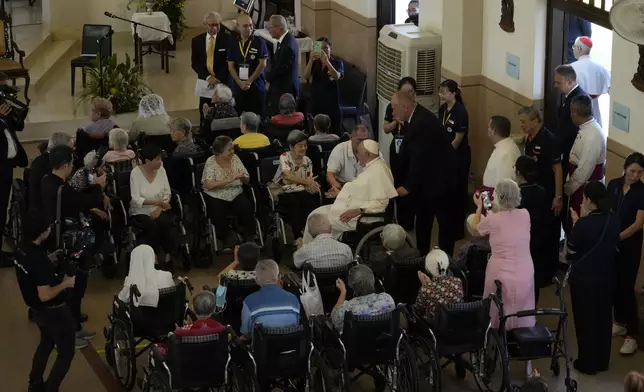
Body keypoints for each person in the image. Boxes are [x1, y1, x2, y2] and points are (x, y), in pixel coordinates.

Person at [40, 146, 105, 339]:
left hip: (54, 239)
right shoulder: (63, 190)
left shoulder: (46, 181)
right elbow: (84, 202)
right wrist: (99, 185)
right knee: (76, 284)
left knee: (63, 282)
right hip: (71, 242)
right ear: (67, 165)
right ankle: (73, 327)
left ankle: (71, 318)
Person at [14, 214, 80, 392]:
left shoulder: (21, 249)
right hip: (54, 312)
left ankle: (34, 383)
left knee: (46, 343)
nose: (50, 229)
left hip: (37, 310)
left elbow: (32, 271)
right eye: (48, 227)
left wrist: (49, 258)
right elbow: (44, 294)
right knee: (66, 353)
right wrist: (66, 283)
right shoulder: (37, 259)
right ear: (41, 232)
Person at [391, 90, 457, 256]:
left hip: (440, 184)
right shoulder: (416, 117)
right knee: (423, 222)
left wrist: (407, 186)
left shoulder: (421, 123)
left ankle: (443, 261)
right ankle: (422, 256)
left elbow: (418, 159)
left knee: (442, 225)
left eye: (395, 108)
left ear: (405, 107)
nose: (393, 112)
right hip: (428, 183)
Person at [567, 181, 620, 375]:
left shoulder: (584, 224)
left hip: (584, 280)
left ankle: (587, 363)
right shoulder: (613, 218)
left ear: (589, 200)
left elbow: (571, 250)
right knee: (604, 319)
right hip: (607, 276)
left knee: (585, 320)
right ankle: (602, 361)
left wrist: (576, 223)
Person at [470, 179, 536, 331]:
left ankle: (496, 328)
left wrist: (480, 207)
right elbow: (508, 218)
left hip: (500, 272)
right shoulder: (525, 215)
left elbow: (475, 229)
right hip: (524, 270)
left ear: (499, 197)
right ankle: (520, 328)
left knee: (496, 304)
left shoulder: (493, 219)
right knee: (520, 302)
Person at [303, 140, 397, 243]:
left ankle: (314, 250)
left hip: (366, 218)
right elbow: (362, 191)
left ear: (366, 154)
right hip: (357, 210)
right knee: (315, 213)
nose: (357, 155)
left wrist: (358, 210)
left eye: (358, 152)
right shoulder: (375, 166)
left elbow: (380, 204)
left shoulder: (378, 171)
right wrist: (341, 193)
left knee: (316, 221)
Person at [519, 106, 564, 287]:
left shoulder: (549, 140)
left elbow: (558, 169)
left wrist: (558, 197)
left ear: (535, 121)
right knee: (536, 233)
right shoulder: (529, 138)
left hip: (548, 194)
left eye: (524, 122)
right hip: (534, 194)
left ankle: (548, 274)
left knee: (549, 233)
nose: (521, 125)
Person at [608, 152, 644, 355]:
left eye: (640, 172)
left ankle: (632, 334)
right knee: (614, 284)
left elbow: (638, 223)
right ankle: (618, 321)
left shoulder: (642, 192)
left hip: (630, 245)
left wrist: (618, 237)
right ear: (625, 168)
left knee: (627, 287)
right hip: (613, 241)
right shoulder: (613, 185)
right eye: (632, 171)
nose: (635, 176)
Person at [129, 144, 178, 270]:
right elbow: (136, 199)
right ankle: (154, 258)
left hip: (159, 208)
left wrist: (160, 208)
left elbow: (167, 192)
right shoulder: (135, 173)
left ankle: (168, 257)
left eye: (160, 159)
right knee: (151, 226)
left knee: (166, 223)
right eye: (157, 160)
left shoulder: (161, 170)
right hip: (141, 210)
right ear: (147, 161)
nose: (160, 162)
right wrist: (157, 203)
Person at [202, 136, 256, 246]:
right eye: (229, 150)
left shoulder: (235, 158)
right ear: (219, 152)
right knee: (217, 209)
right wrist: (229, 179)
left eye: (233, 148)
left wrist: (243, 177)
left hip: (235, 191)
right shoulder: (211, 162)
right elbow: (209, 185)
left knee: (246, 206)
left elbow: (247, 179)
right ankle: (225, 237)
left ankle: (248, 235)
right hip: (216, 194)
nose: (232, 152)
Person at [563, 95, 606, 232]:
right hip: (580, 183)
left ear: (574, 112)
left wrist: (569, 188)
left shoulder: (593, 134)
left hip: (585, 186)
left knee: (579, 223)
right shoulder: (587, 128)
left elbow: (585, 169)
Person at [273, 130, 321, 241]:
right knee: (294, 203)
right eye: (300, 146)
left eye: (305, 145)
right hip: (284, 190)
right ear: (291, 147)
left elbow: (309, 178)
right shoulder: (285, 156)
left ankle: (312, 233)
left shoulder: (307, 160)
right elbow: (288, 176)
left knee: (313, 199)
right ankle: (297, 236)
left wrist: (312, 184)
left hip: (301, 189)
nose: (303, 148)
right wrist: (307, 182)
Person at [383, 77, 417, 230]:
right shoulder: (392, 107)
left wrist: (403, 120)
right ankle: (395, 216)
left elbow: (415, 131)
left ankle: (408, 221)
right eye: (404, 91)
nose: (407, 94)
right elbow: (385, 128)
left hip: (410, 148)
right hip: (396, 146)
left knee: (409, 180)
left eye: (410, 92)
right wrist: (396, 121)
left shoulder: (416, 110)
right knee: (396, 179)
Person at [439, 79, 470, 240]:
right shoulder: (443, 109)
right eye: (440, 91)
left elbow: (458, 139)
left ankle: (458, 229)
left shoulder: (460, 112)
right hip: (445, 155)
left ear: (453, 93)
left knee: (458, 191)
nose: (441, 95)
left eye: (444, 92)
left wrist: (444, 155)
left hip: (458, 157)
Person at [515, 155, 547, 303]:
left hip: (522, 241)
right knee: (534, 274)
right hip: (538, 238)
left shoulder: (518, 195)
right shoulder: (541, 191)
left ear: (519, 173)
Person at [240, 259, 300, 337]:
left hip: (261, 348)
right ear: (279, 277)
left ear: (256, 279)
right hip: (291, 348)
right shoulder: (293, 300)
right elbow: (296, 325)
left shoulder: (248, 302)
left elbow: (246, 332)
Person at [155, 291, 226, 357]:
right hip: (214, 366)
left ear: (193, 308)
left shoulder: (181, 331)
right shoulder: (221, 329)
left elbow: (175, 338)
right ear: (214, 310)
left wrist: (176, 331)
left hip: (188, 366)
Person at [0, 98, 27, 262]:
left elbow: (18, 126)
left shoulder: (3, 107)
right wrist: (2, 118)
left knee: (3, 206)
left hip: (6, 166)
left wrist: (19, 113)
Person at [331, 264, 395, 333]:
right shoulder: (387, 299)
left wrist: (343, 291)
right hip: (385, 342)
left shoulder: (347, 308)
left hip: (357, 343)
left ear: (353, 287)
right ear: (372, 279)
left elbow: (334, 321)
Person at [227, 12, 268, 117]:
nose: (249, 28)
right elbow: (230, 66)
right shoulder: (233, 43)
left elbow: (262, 64)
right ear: (238, 26)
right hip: (239, 86)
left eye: (250, 25)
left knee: (259, 116)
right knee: (240, 116)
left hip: (256, 85)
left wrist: (249, 81)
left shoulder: (259, 42)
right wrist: (239, 82)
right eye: (245, 26)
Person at [192, 11, 230, 125]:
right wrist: (208, 77)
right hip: (205, 81)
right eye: (211, 25)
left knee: (222, 110)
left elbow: (229, 62)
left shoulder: (227, 39)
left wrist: (217, 79)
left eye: (217, 24)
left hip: (222, 81)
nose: (214, 27)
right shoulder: (197, 41)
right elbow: (195, 63)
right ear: (205, 24)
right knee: (204, 108)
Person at [304, 37, 344, 135]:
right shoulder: (315, 63)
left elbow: (337, 76)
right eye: (320, 48)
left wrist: (327, 62)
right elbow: (306, 76)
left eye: (326, 48)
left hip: (331, 102)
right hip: (317, 100)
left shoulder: (337, 62)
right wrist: (310, 60)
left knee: (334, 131)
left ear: (331, 48)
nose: (323, 51)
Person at [413, 248, 464, 323]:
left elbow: (418, 309)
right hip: (455, 321)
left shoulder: (426, 289)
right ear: (447, 265)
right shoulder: (458, 282)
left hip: (434, 325)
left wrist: (425, 286)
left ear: (427, 269)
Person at [554, 64, 590, 169]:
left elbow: (574, 128)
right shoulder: (569, 95)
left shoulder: (579, 99)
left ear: (569, 82)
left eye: (558, 83)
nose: (555, 85)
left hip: (572, 148)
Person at [570, 36, 610, 126]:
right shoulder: (601, 68)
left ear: (579, 48)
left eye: (574, 47)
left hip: (578, 111)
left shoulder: (572, 68)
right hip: (594, 111)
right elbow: (610, 88)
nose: (573, 49)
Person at [29, 133, 74, 212]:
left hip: (35, 206)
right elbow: (62, 194)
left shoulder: (39, 160)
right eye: (70, 149)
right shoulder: (50, 164)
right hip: (45, 211)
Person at [265, 14, 299, 115]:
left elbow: (280, 70)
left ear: (279, 28)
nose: (269, 30)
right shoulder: (288, 40)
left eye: (270, 27)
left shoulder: (287, 46)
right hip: (282, 88)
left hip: (284, 91)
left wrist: (264, 76)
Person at [482, 115, 521, 192]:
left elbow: (504, 187)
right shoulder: (505, 146)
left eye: (489, 127)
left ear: (494, 131)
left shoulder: (505, 154)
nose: (488, 130)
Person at [326, 124, 369, 191]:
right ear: (351, 138)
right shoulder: (340, 149)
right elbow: (330, 174)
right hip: (343, 187)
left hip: (365, 188)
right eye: (360, 140)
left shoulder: (371, 149)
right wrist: (336, 186)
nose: (363, 143)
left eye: (365, 140)